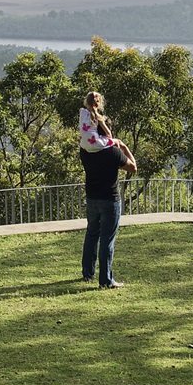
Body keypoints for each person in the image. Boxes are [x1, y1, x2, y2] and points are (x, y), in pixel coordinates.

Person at [78, 91, 135, 288]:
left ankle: (87, 273)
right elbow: (132, 167)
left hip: (92, 197)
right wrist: (124, 146)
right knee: (107, 240)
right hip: (110, 200)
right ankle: (106, 280)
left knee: (91, 234)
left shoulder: (84, 149)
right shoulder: (112, 152)